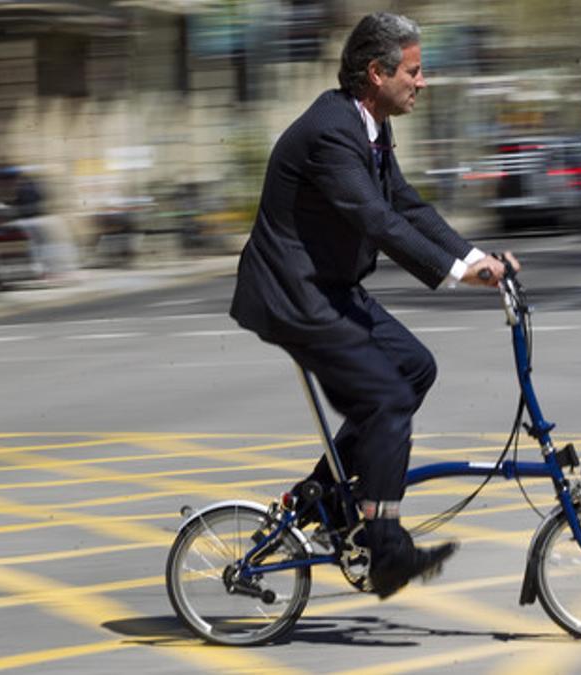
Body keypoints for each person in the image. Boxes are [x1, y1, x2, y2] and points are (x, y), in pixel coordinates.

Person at [229, 12, 520, 599]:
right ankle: (385, 547)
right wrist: (460, 275)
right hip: (296, 298)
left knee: (415, 369)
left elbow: (406, 205)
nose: (422, 82)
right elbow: (375, 219)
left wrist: (473, 257)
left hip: (331, 291)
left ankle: (327, 496)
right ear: (376, 73)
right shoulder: (331, 131)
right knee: (386, 400)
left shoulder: (369, 125)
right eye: (413, 71)